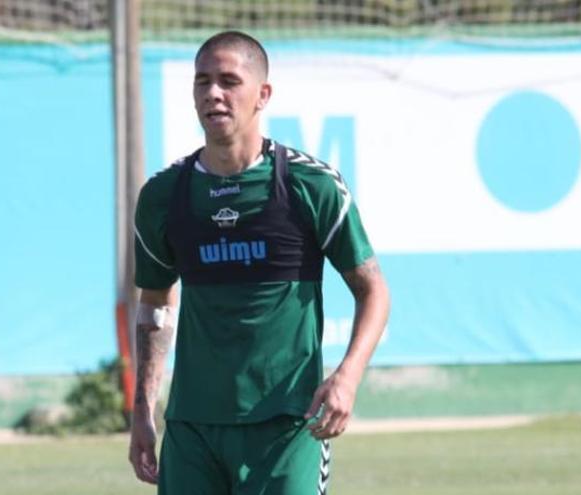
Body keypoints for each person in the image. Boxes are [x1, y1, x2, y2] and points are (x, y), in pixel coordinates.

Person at [128, 30, 390, 495]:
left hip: (289, 425)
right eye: (202, 81)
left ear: (262, 94)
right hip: (192, 427)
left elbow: (374, 291)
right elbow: (154, 306)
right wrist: (143, 409)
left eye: (229, 81)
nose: (213, 93)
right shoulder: (163, 197)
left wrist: (346, 378)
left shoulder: (312, 186)